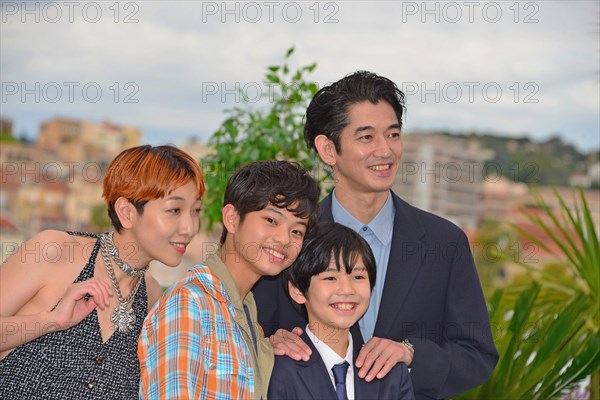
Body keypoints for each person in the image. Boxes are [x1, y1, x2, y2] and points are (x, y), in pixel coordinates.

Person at [253, 71, 499, 400]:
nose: (385, 151)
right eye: (366, 137)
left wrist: (410, 355)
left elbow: (477, 356)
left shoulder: (445, 242)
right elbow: (251, 332)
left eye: (393, 135)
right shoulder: (291, 240)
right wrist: (267, 344)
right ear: (328, 149)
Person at [0, 144, 205, 399]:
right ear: (126, 212)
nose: (189, 227)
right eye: (175, 210)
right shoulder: (55, 250)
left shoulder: (152, 296)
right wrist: (50, 321)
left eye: (196, 211)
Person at [138, 160, 320, 399]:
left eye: (297, 231)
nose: (285, 239)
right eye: (271, 220)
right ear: (232, 218)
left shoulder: (246, 311)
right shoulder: (190, 303)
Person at [268, 221, 415, 400]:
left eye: (358, 276)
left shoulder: (391, 373)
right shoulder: (277, 369)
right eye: (330, 277)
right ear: (298, 291)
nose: (347, 290)